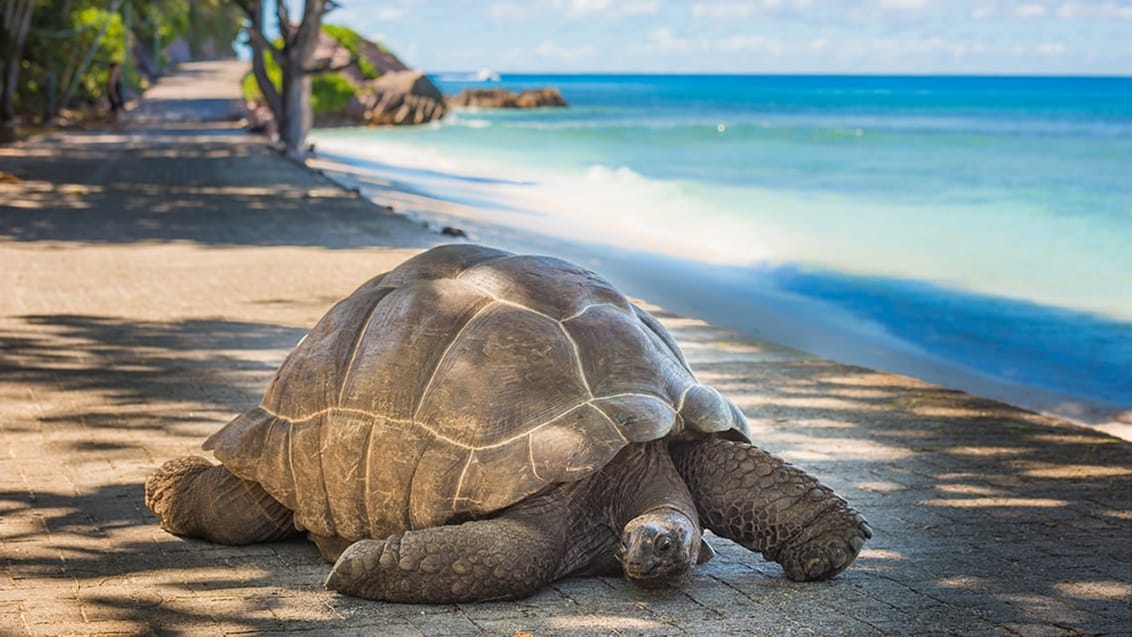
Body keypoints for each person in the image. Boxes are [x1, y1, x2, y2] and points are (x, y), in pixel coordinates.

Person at [107, 62, 124, 129]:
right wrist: (114, 97)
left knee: (115, 112)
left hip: (117, 95)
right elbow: (111, 88)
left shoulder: (117, 76)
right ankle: (117, 126)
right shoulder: (112, 77)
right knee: (117, 112)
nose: (118, 69)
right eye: (116, 67)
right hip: (115, 96)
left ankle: (116, 126)